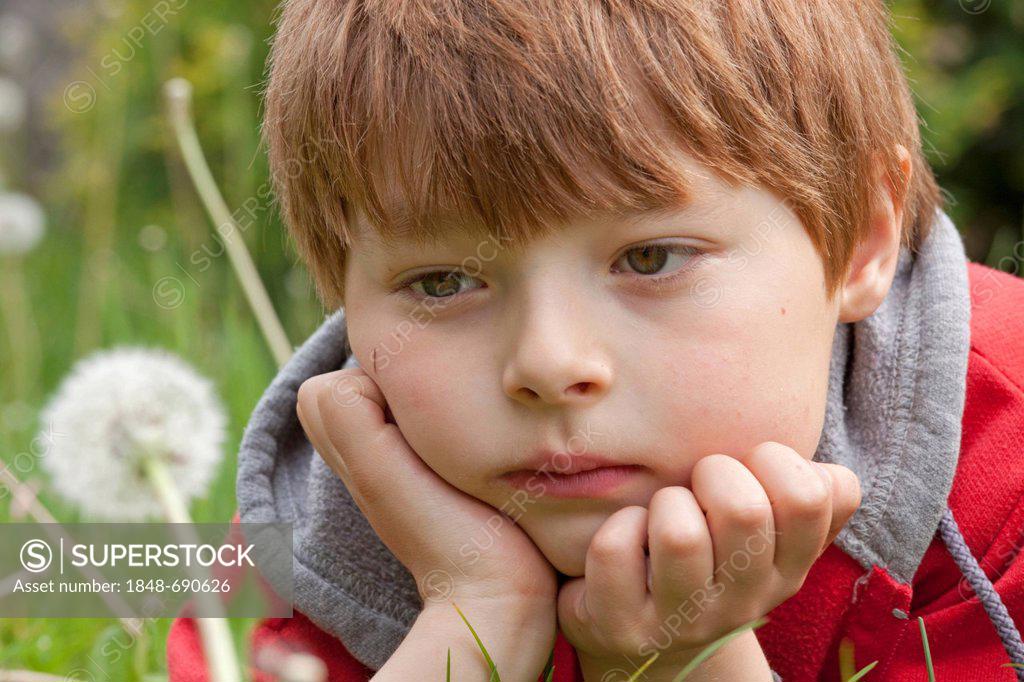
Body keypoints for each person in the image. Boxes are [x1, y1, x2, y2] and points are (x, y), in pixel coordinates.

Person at [167, 1, 1024, 679]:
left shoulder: (1004, 473)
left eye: (648, 257)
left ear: (862, 242)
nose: (548, 363)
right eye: (442, 282)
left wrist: (685, 664)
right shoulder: (306, 538)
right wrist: (474, 617)